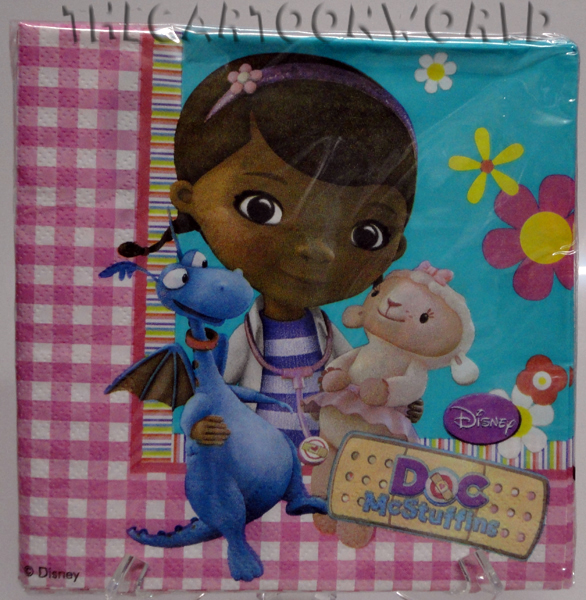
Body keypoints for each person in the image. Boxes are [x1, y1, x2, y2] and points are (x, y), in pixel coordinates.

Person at [120, 52, 422, 449]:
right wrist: (197, 423)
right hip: (258, 452)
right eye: (260, 208)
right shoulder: (245, 338)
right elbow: (214, 387)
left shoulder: (330, 339)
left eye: (369, 234)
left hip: (327, 450)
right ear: (188, 198)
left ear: (396, 248)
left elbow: (354, 375)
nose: (318, 250)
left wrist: (394, 397)